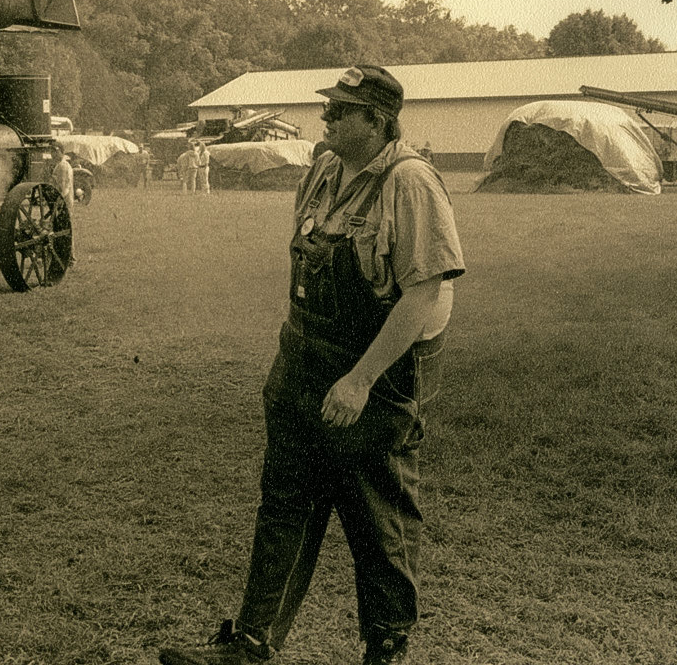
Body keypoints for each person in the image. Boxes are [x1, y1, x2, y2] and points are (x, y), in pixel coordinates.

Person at [158, 65, 465, 665]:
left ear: (376, 121)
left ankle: (387, 649)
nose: (325, 119)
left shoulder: (410, 182)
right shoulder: (324, 169)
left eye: (339, 112)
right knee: (284, 503)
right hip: (302, 357)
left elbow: (424, 295)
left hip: (371, 371)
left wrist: (361, 379)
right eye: (328, 109)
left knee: (376, 517)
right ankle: (249, 644)